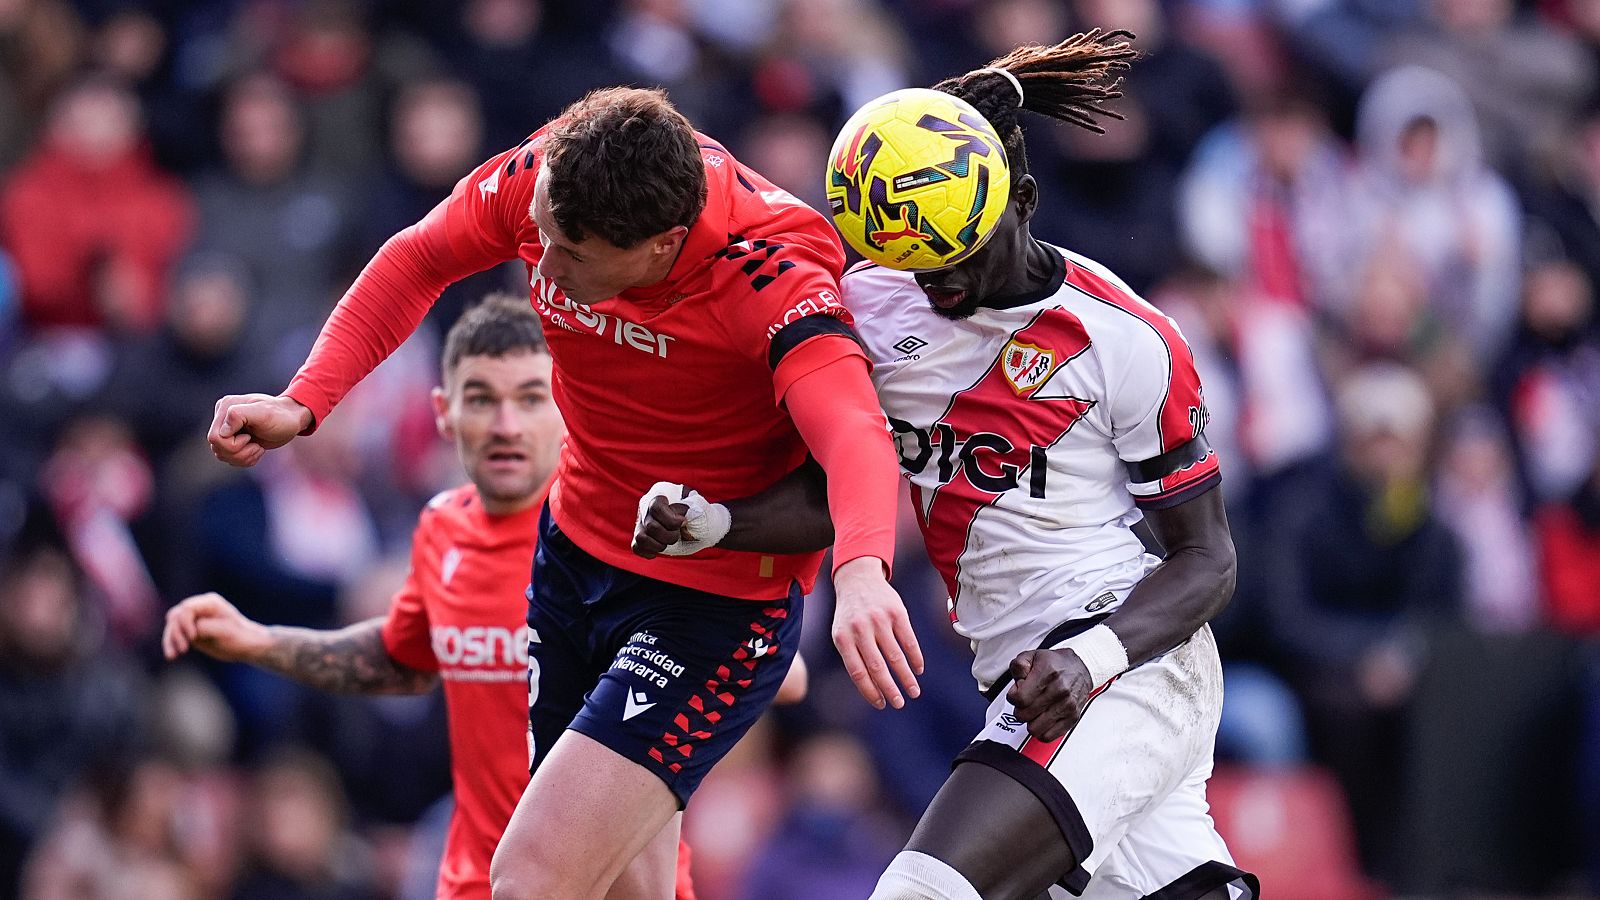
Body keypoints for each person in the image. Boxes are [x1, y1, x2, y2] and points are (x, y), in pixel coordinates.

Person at [203, 87, 914, 900]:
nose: (540, 262)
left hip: (712, 607)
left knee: (531, 876)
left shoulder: (773, 273)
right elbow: (419, 257)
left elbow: (855, 432)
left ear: (661, 247)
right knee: (625, 887)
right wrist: (303, 402)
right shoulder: (557, 172)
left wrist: (861, 571)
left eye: (570, 254)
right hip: (574, 556)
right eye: (538, 235)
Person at [635, 35, 1257, 900]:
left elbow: (1208, 558)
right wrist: (715, 521)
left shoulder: (1127, 340)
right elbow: (840, 493)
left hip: (1121, 661)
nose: (941, 285)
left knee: (923, 893)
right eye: (917, 264)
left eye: (959, 256)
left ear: (1024, 200)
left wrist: (1095, 660)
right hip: (1025, 676)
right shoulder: (874, 303)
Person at [170, 295, 816, 898]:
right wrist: (257, 641)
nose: (506, 424)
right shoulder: (442, 528)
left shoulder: (630, 533)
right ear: (444, 413)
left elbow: (771, 671)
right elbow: (403, 661)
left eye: (530, 398)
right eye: (481, 399)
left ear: (567, 404)